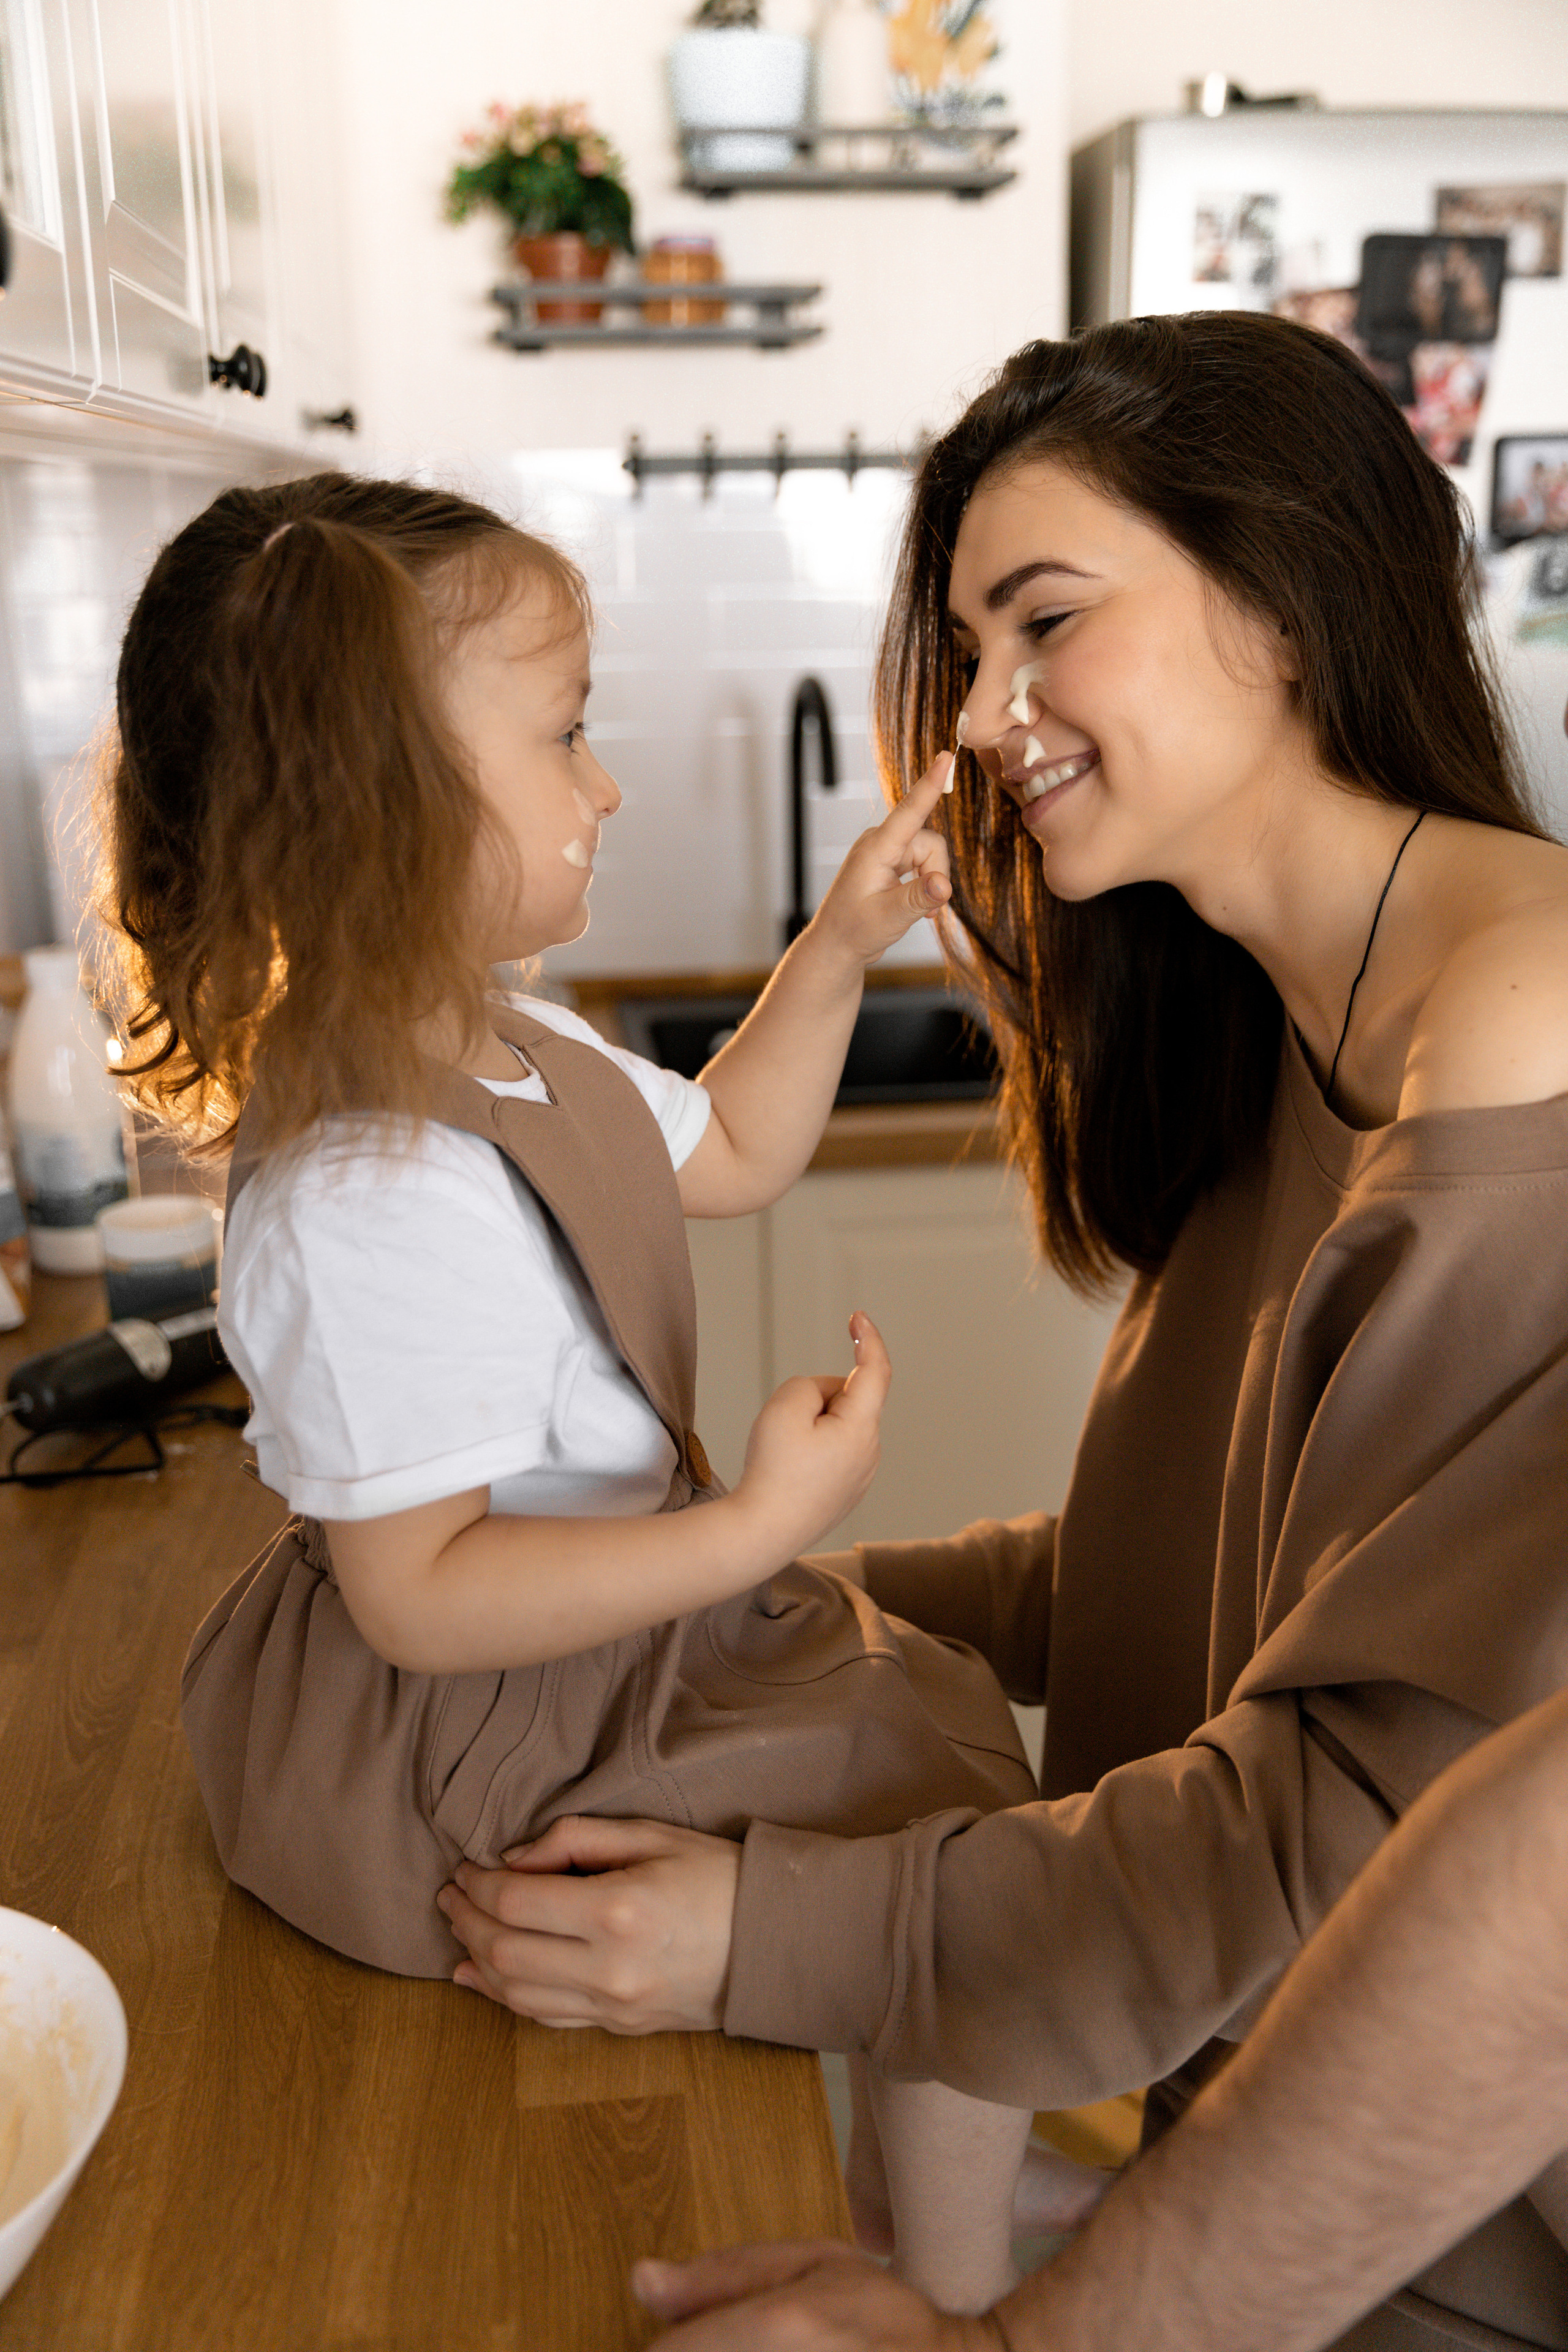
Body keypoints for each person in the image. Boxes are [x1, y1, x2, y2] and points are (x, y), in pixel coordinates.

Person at [437, 312, 1568, 2351]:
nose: (976, 719)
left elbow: (1345, 1822)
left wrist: (758, 1939)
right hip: (1261, 2176)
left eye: (1043, 621)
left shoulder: (1519, 1028)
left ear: (1289, 603)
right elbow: (1194, 1590)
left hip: (1455, 2248)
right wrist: (714, 1601)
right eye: (968, 653)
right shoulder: (1286, 1020)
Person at [100, 472, 1065, 2314]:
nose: (605, 783)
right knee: (975, 1872)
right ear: (376, 809)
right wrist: (756, 1527)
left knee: (951, 1793)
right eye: (563, 736)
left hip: (592, 1648)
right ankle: (945, 2292)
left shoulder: (509, 1033)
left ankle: (919, 2251)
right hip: (476, 1726)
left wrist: (843, 943)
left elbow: (733, 1157)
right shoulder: (367, 1186)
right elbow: (420, 1594)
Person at [628, 1683, 1568, 2350]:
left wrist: (1012, 2336)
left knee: (961, 1845)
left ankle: (958, 2275)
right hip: (1263, 2189)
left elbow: (1532, 1886)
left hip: (1423, 2258)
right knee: (928, 1739)